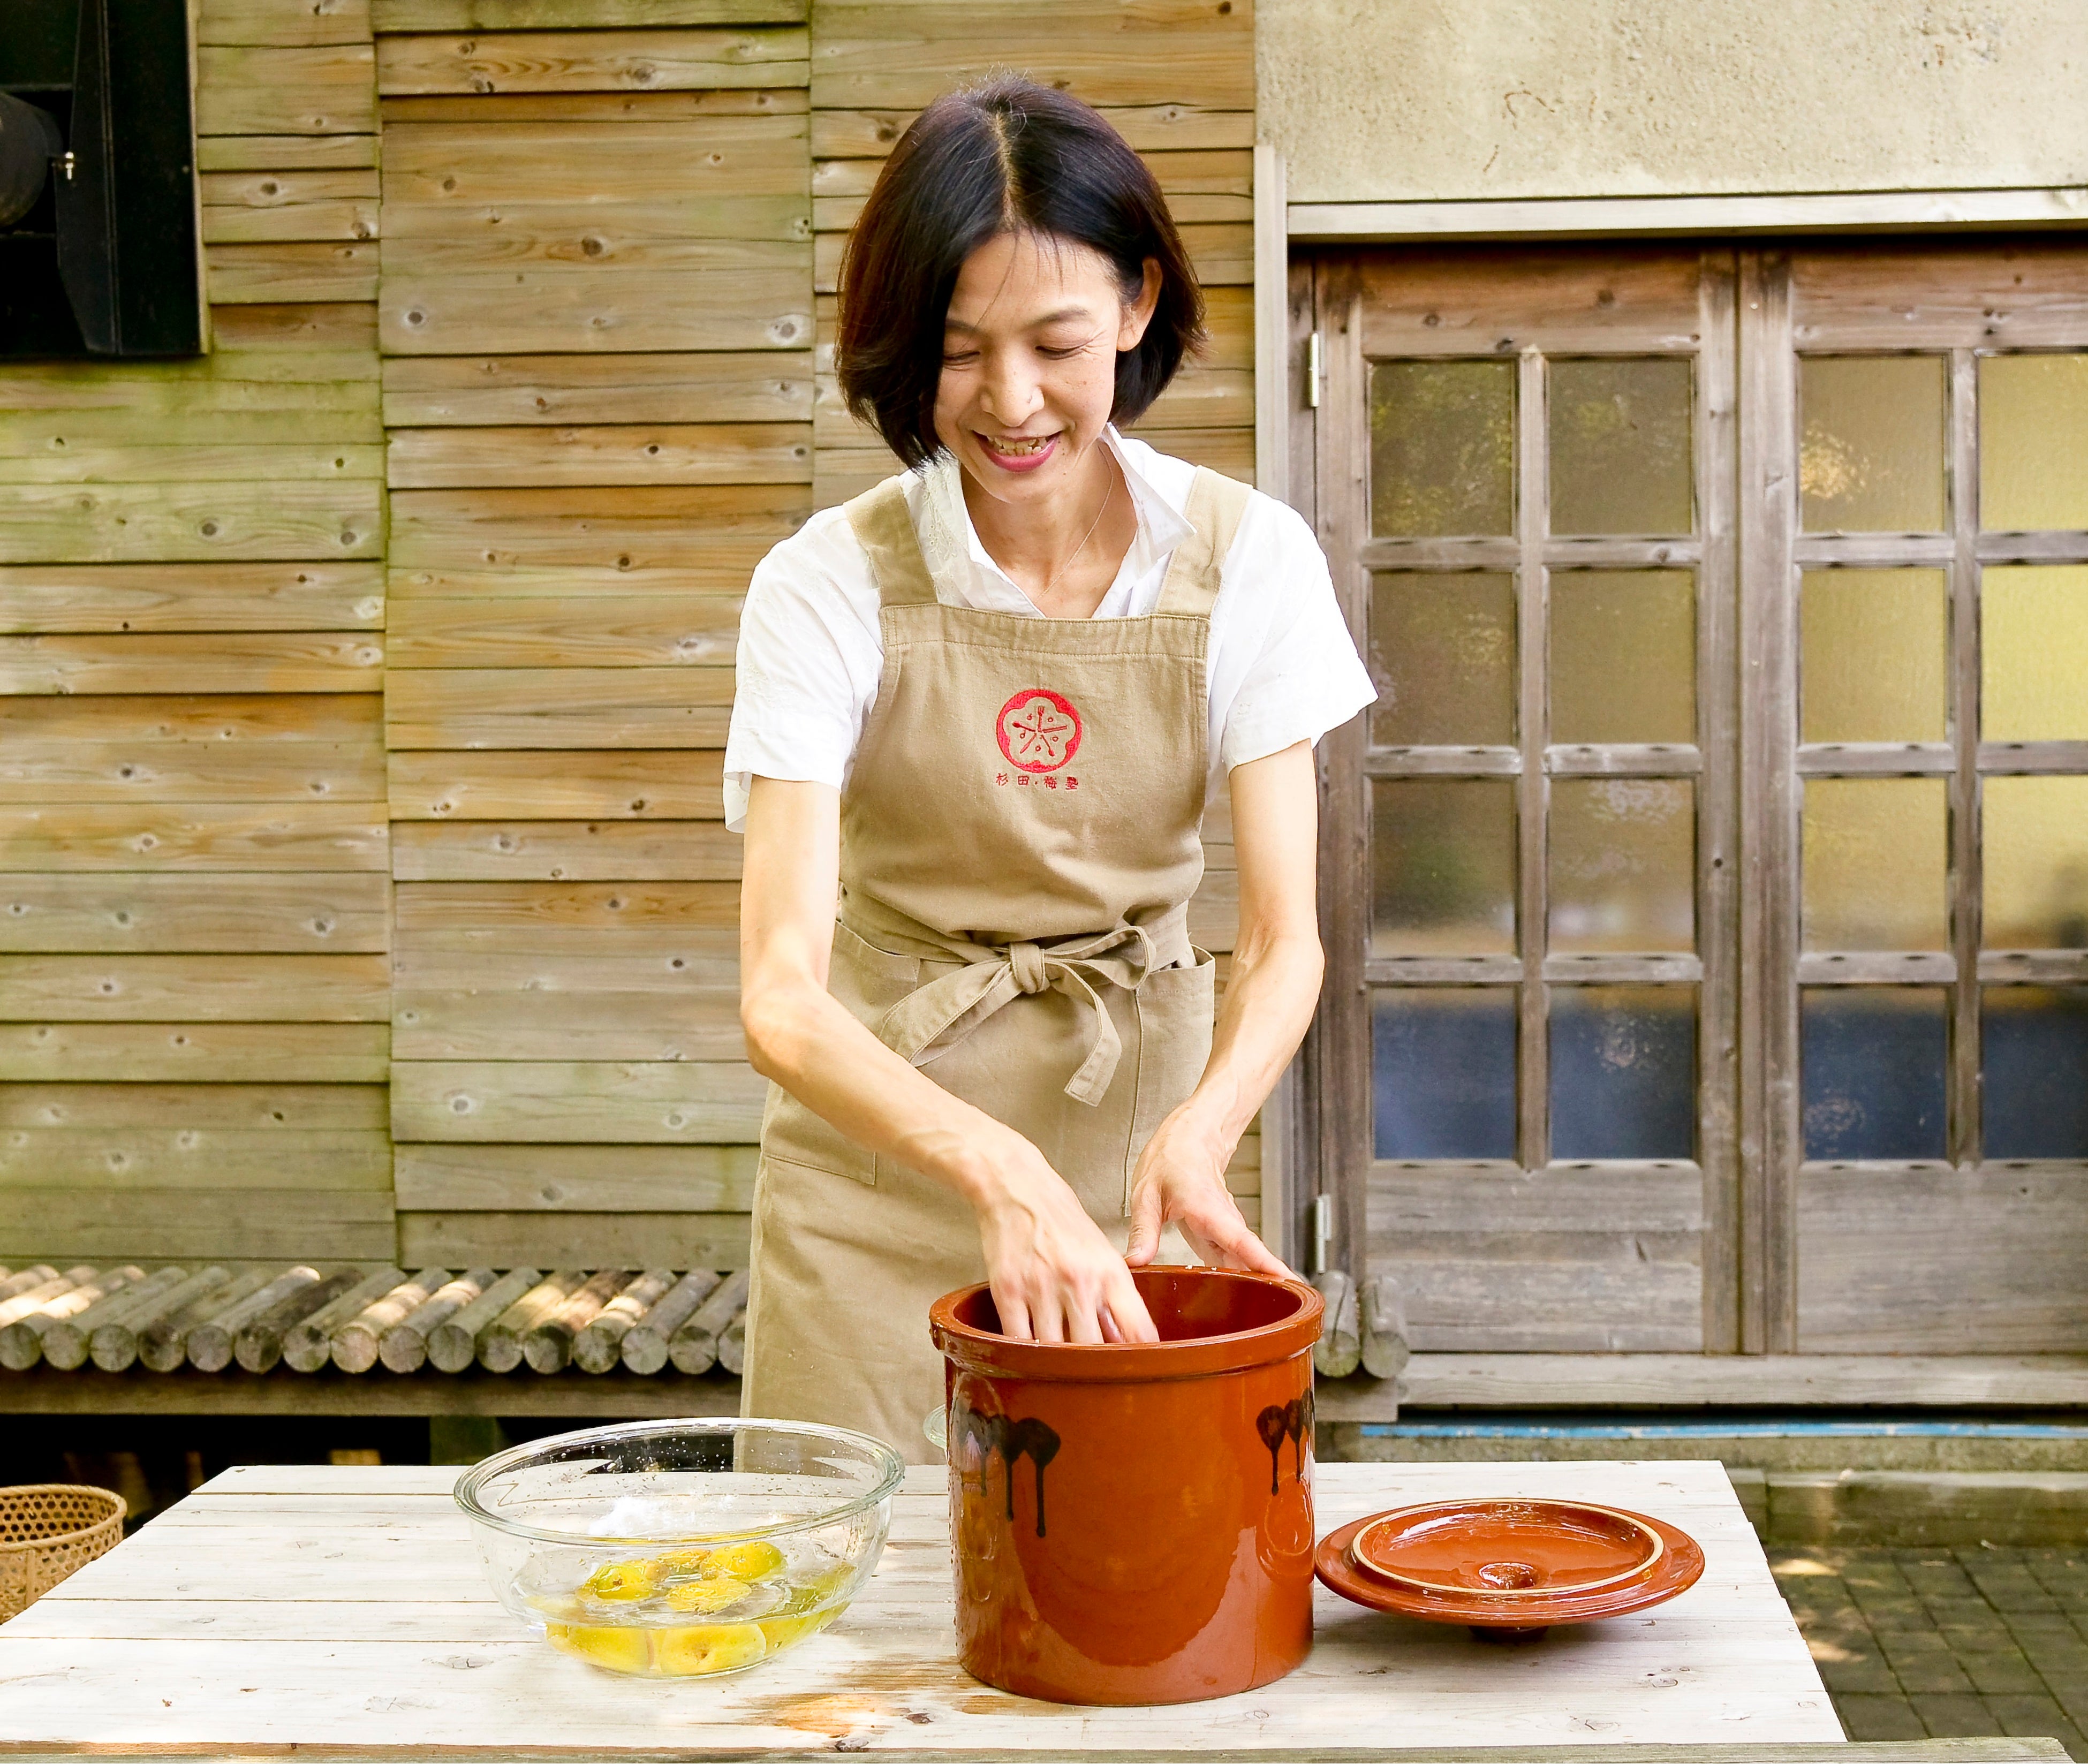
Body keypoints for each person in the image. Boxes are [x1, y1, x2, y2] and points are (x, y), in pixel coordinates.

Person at [727, 76, 1374, 1460]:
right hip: (877, 1164)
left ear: (1137, 308)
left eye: (1055, 342)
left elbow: (1279, 943)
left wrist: (1203, 1131)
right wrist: (988, 1164)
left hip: (1126, 1149)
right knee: (837, 1623)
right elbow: (781, 999)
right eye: (960, 352)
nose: (1011, 403)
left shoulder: (1243, 559)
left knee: (1118, 1573)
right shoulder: (827, 582)